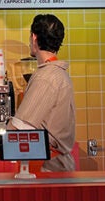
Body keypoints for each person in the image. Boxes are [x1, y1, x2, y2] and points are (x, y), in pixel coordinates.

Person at [12, 14, 77, 172]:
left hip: (48, 166)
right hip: (58, 163)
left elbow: (20, 126)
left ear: (34, 37)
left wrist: (5, 134)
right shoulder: (59, 73)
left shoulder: (46, 76)